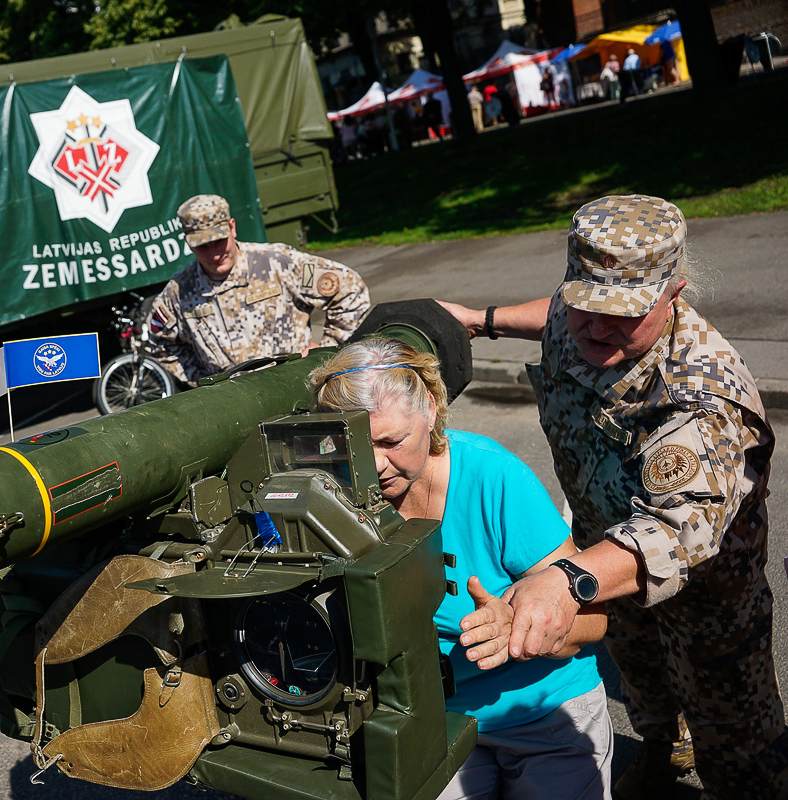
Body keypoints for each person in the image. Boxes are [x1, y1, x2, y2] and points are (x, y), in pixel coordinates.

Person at [438, 195, 788, 799]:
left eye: (622, 314)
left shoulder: (701, 395)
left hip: (705, 595)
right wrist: (479, 318)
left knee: (739, 746)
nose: (596, 329)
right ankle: (661, 753)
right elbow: (550, 315)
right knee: (642, 676)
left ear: (672, 293)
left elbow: (673, 532)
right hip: (606, 564)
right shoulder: (582, 313)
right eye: (585, 305)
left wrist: (567, 580)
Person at [310, 339, 612, 799]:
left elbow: (593, 620)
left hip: (541, 714)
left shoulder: (494, 478)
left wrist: (521, 625)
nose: (373, 464)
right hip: (432, 720)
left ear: (429, 411)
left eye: (392, 441)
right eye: (352, 444)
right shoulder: (334, 491)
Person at [148, 194, 369, 385]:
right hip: (233, 404)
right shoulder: (180, 290)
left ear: (232, 228)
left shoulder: (277, 263)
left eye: (218, 241)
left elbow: (351, 289)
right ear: (188, 243)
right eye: (202, 246)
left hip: (294, 388)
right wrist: (203, 381)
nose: (214, 254)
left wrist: (325, 353)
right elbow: (158, 341)